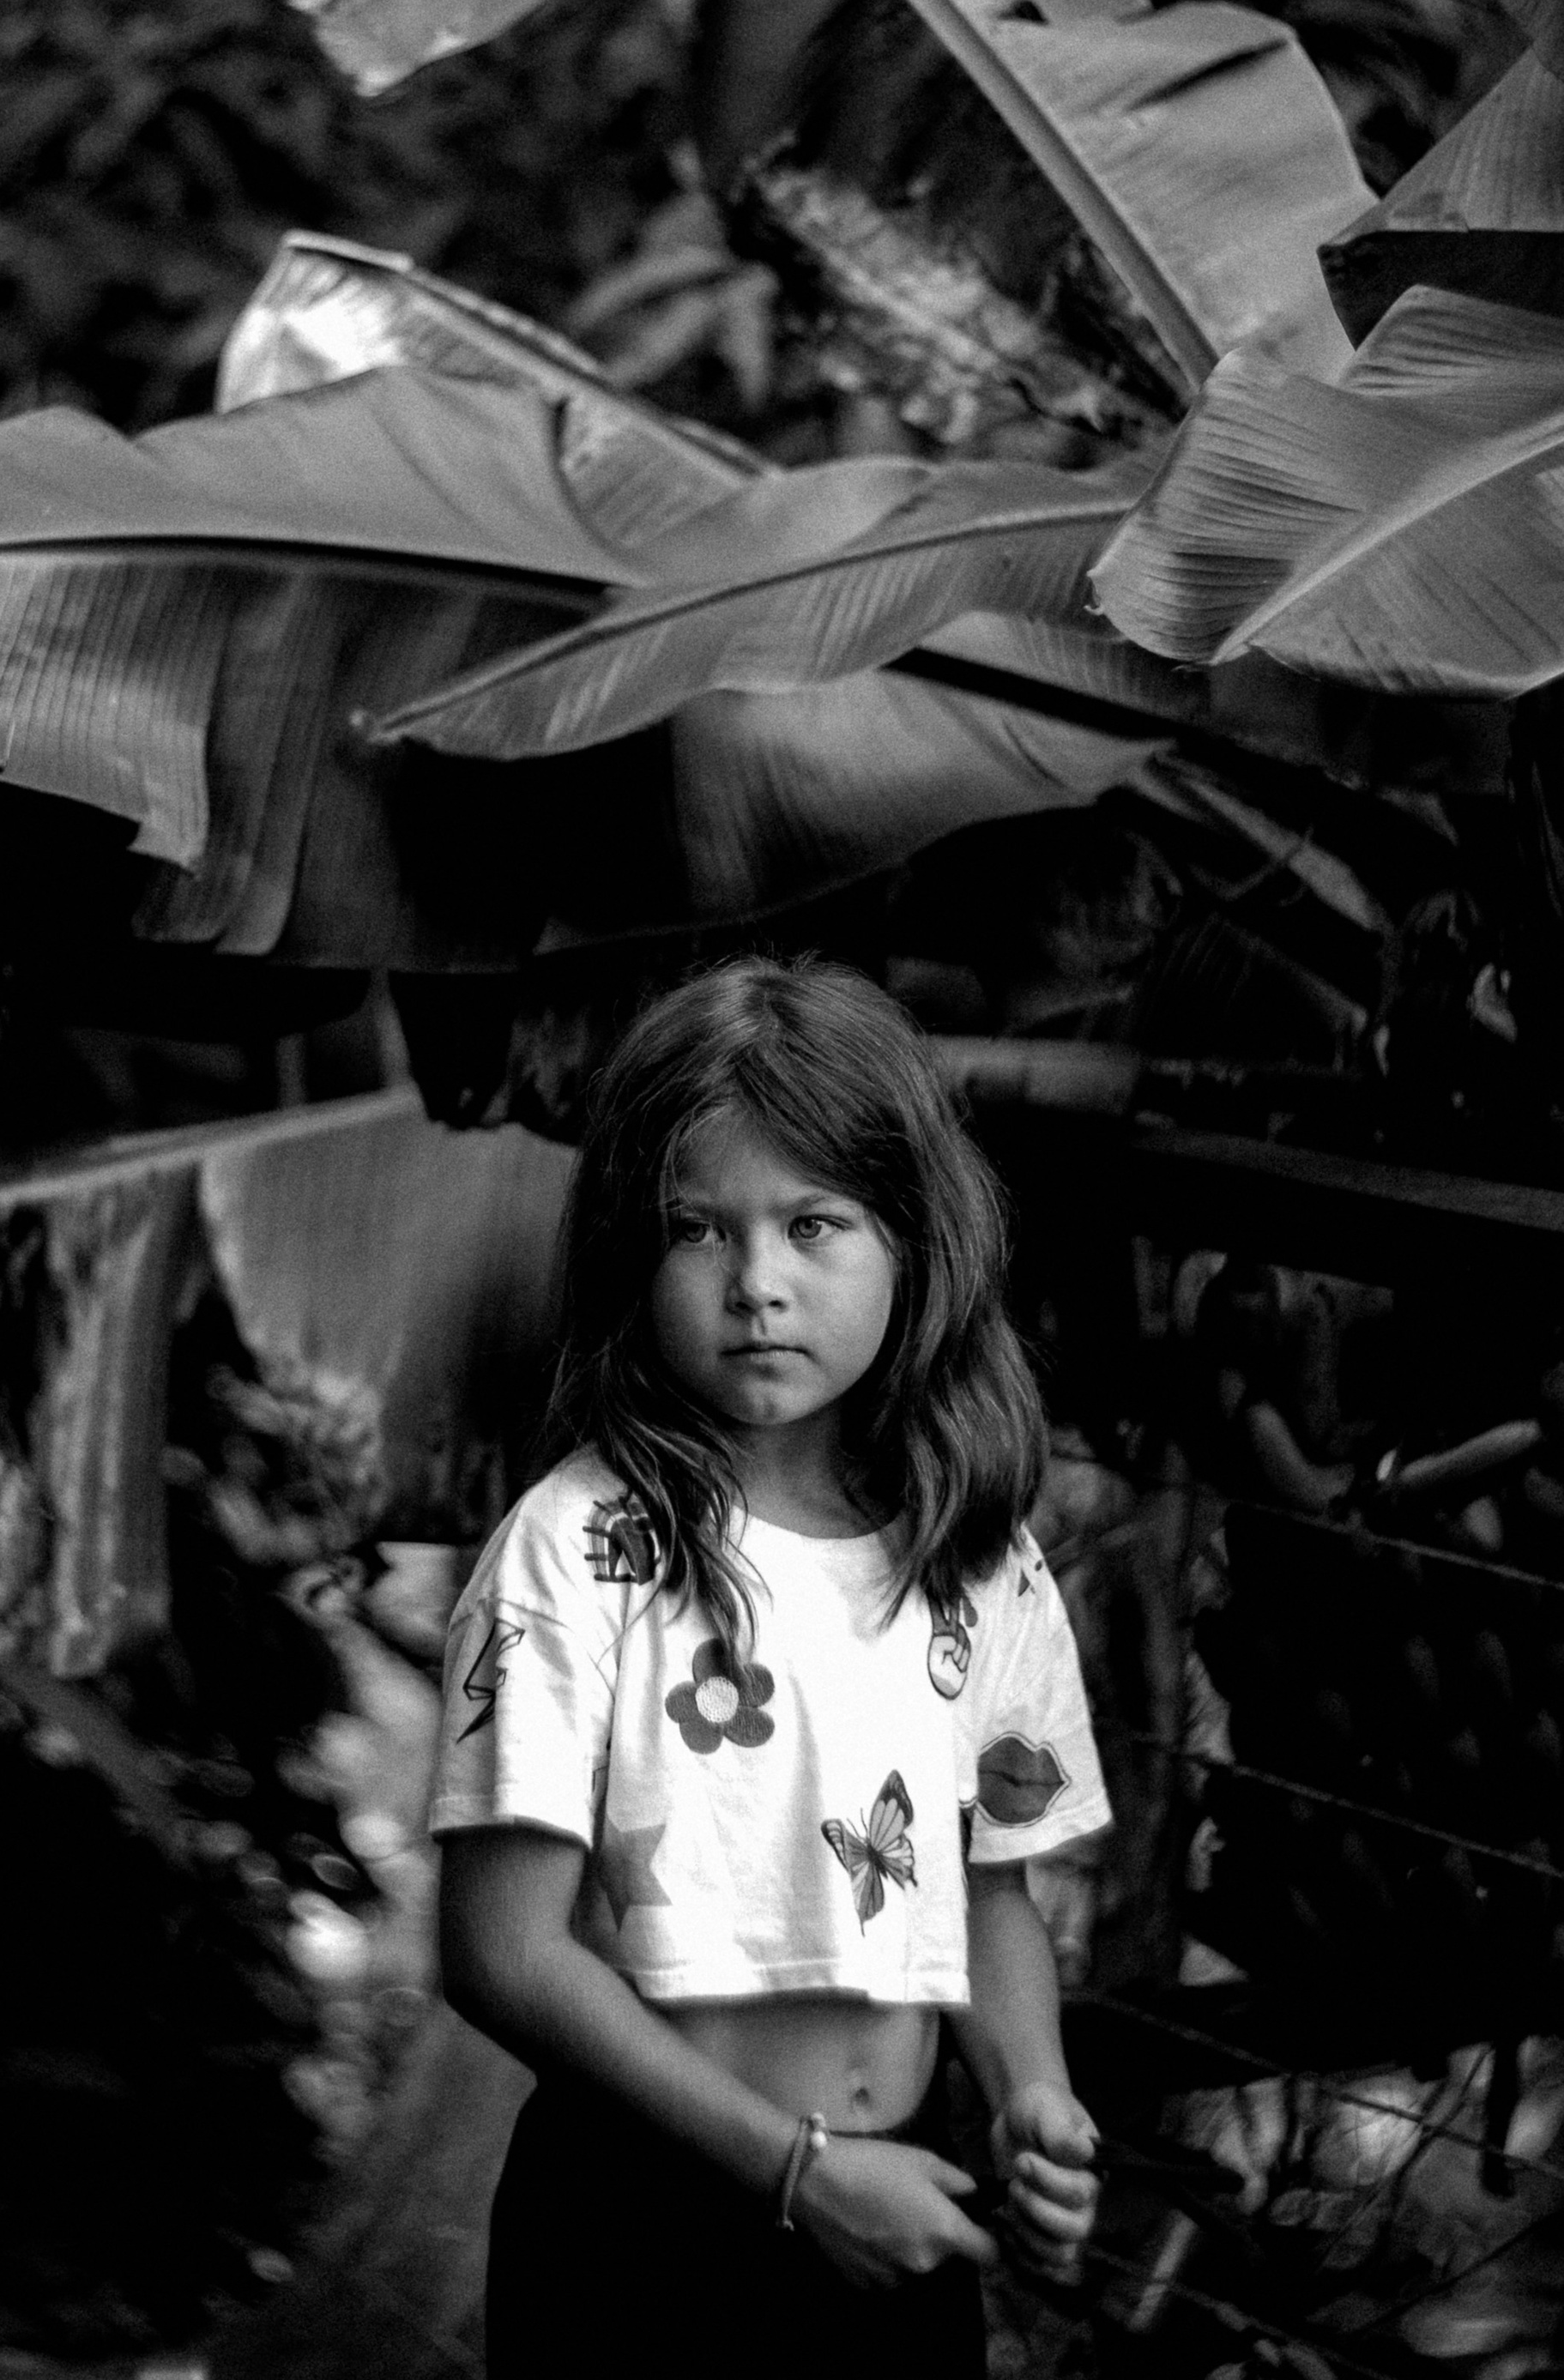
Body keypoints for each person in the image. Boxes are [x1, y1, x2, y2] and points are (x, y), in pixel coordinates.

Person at [431, 957, 1110, 2377]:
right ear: (632, 1252)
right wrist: (798, 2172)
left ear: (914, 1238)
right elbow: (500, 1952)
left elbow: (986, 1889)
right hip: (640, 2222)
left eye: (814, 1224)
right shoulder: (578, 1552)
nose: (757, 1285)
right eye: (698, 1230)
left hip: (904, 2199)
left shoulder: (980, 1560)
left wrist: (1032, 2093)